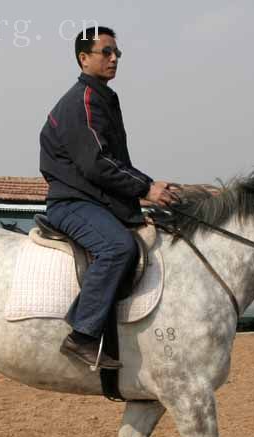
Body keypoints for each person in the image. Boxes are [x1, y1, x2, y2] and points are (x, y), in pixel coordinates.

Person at [39, 25, 173, 369]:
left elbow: (113, 165)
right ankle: (82, 335)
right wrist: (146, 188)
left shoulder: (102, 98)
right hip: (71, 203)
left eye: (117, 54)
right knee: (117, 248)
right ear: (84, 59)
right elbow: (98, 164)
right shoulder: (82, 101)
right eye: (106, 52)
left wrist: (136, 204)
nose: (114, 59)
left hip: (93, 200)